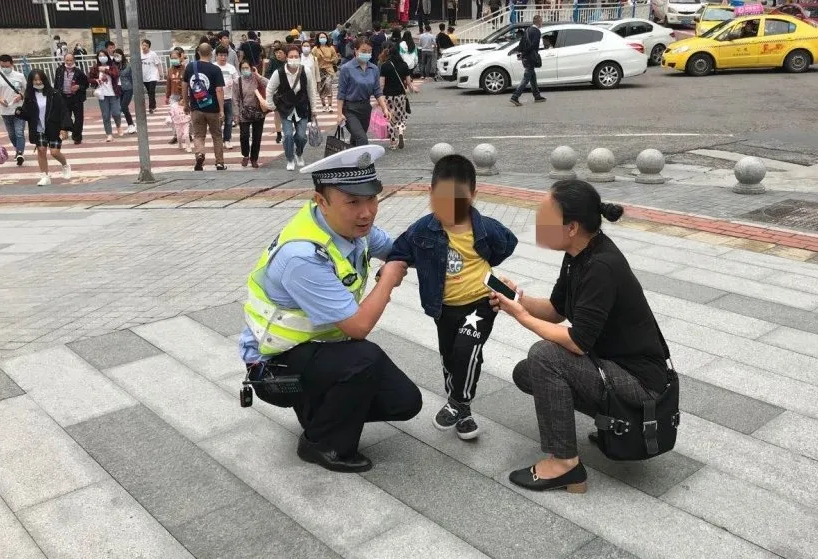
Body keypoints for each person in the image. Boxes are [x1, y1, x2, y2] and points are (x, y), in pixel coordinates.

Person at [239, 144, 422, 473]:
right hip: (275, 367)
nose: (366, 212)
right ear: (321, 201)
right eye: (353, 202)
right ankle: (321, 443)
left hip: (318, 350)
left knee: (405, 401)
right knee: (366, 357)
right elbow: (358, 327)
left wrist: (451, 248)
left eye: (371, 198)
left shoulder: (351, 228)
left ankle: (319, 409)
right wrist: (389, 278)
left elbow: (398, 249)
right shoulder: (304, 256)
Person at [491, 180, 670, 493]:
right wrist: (517, 300)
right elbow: (556, 310)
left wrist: (521, 317)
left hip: (642, 382)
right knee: (528, 373)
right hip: (609, 365)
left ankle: (565, 465)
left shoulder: (602, 265)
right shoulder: (578, 254)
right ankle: (613, 424)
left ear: (571, 227)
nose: (537, 225)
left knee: (544, 357)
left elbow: (576, 341)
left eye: (545, 218)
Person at [387, 155, 518, 439]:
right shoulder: (424, 228)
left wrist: (488, 269)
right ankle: (463, 409)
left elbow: (507, 244)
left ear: (473, 195)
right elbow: (400, 250)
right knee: (450, 355)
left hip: (481, 303)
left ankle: (458, 402)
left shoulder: (486, 228)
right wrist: (390, 271)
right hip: (444, 307)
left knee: (467, 350)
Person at [21, 70, 72, 187]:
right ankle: (44, 175)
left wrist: (64, 128)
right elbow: (27, 114)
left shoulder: (54, 94)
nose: (38, 82)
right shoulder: (29, 96)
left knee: (54, 152)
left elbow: (63, 111)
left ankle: (65, 165)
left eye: (40, 79)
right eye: (35, 80)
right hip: (38, 128)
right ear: (31, 81)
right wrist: (19, 112)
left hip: (53, 127)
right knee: (41, 150)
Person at [337, 39, 392, 147]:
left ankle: (353, 162)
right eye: (363, 51)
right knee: (362, 139)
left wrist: (384, 108)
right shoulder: (346, 68)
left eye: (369, 51)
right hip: (350, 109)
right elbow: (341, 93)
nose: (366, 54)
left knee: (356, 138)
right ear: (355, 50)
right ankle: (366, 163)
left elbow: (377, 91)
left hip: (366, 108)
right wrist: (339, 113)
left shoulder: (374, 68)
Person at [266, 45, 313, 170]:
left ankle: (299, 153)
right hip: (285, 108)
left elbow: (311, 92)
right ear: (286, 58)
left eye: (296, 56)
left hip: (301, 107)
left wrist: (313, 110)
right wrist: (271, 105)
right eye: (291, 56)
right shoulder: (279, 72)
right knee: (287, 135)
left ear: (300, 57)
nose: (293, 59)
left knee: (301, 136)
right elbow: (270, 89)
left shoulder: (306, 71)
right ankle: (290, 158)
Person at [182, 43, 227, 171]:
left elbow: (185, 86)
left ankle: (200, 154)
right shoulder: (215, 69)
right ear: (212, 53)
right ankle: (219, 163)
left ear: (198, 52)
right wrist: (222, 110)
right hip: (213, 108)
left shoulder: (190, 67)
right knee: (217, 136)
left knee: (198, 135)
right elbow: (219, 90)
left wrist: (186, 104)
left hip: (196, 107)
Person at [0, 55, 27, 166]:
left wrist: (21, 96)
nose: (4, 68)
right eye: (2, 66)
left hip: (19, 109)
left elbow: (27, 90)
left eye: (7, 65)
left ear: (12, 64)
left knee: (19, 133)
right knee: (11, 134)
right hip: (5, 110)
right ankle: (17, 149)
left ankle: (19, 153)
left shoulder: (19, 76)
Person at [378, 41, 417, 150]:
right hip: (400, 95)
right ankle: (400, 132)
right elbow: (409, 83)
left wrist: (379, 97)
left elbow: (381, 84)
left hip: (388, 96)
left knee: (389, 117)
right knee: (400, 116)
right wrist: (413, 89)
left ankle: (393, 142)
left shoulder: (385, 66)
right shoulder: (404, 65)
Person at [234, 60, 269, 168]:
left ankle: (254, 158)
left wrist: (258, 75)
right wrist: (236, 114)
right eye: (243, 68)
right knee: (244, 135)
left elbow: (269, 84)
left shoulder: (256, 79)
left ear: (251, 68)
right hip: (244, 112)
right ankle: (245, 155)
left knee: (257, 137)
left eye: (247, 68)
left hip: (258, 112)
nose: (245, 70)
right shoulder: (237, 81)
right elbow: (235, 99)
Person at [510, 15, 546, 106]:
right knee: (526, 78)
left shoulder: (527, 30)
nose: (542, 23)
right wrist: (524, 54)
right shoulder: (537, 31)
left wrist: (520, 53)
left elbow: (521, 44)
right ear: (539, 22)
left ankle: (537, 96)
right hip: (531, 57)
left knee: (532, 76)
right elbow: (534, 45)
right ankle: (515, 96)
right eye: (542, 21)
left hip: (526, 58)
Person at [53, 54, 88, 145]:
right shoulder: (59, 70)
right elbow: (56, 84)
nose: (68, 63)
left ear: (74, 61)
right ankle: (68, 131)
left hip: (76, 98)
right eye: (67, 60)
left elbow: (86, 84)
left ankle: (77, 137)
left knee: (79, 118)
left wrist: (79, 86)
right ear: (64, 60)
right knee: (66, 117)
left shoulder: (79, 72)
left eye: (70, 60)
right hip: (64, 97)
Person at [89, 49, 122, 142]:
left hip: (113, 93)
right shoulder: (95, 68)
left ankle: (118, 125)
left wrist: (106, 70)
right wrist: (96, 80)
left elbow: (115, 74)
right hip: (102, 94)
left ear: (107, 56)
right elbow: (89, 78)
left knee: (116, 113)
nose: (102, 57)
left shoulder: (112, 66)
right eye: (100, 55)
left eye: (104, 55)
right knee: (105, 115)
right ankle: (109, 134)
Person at [215, 45, 240, 150]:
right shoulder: (213, 67)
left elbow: (237, 80)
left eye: (225, 55)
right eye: (221, 55)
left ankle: (227, 139)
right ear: (216, 56)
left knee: (229, 120)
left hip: (229, 98)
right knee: (217, 121)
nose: (223, 57)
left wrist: (234, 82)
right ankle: (218, 140)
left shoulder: (231, 67)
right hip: (216, 99)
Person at [166, 47, 189, 147]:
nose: (173, 59)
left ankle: (188, 134)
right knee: (174, 116)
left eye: (175, 57)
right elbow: (168, 84)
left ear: (181, 58)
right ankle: (176, 135)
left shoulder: (186, 69)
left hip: (184, 95)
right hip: (174, 96)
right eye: (172, 58)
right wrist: (167, 96)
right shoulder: (170, 70)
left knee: (186, 115)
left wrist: (186, 97)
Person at [313, 32, 340, 113]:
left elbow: (336, 58)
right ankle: (324, 106)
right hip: (319, 71)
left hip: (329, 70)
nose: (322, 39)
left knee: (328, 86)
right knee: (321, 89)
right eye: (321, 37)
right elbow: (312, 59)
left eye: (324, 37)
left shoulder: (331, 48)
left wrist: (330, 60)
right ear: (318, 39)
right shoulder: (315, 49)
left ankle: (330, 106)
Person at [140, 39, 163, 114]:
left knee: (151, 91)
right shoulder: (140, 54)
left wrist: (161, 74)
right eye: (143, 45)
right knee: (149, 92)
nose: (144, 47)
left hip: (153, 75)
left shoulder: (153, 54)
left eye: (146, 46)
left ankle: (151, 107)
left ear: (149, 47)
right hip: (144, 76)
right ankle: (154, 105)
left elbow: (158, 64)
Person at [116, 49, 136, 136]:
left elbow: (133, 78)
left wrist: (135, 88)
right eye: (115, 56)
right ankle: (130, 125)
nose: (116, 57)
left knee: (123, 106)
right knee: (123, 108)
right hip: (119, 89)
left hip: (128, 88)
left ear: (122, 55)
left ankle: (131, 124)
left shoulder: (128, 66)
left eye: (118, 55)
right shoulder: (115, 66)